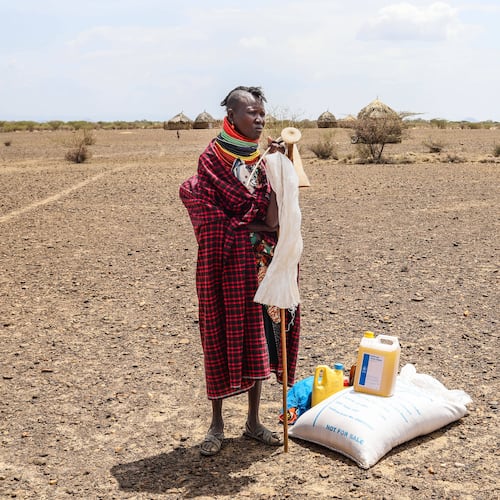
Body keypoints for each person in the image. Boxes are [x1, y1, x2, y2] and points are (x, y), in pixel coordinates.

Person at [179, 86, 300, 456]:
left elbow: (272, 214)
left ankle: (253, 422)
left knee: (259, 336)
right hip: (224, 262)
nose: (259, 119)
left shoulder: (264, 159)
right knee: (220, 331)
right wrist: (241, 227)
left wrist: (281, 168)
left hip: (262, 263)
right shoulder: (212, 159)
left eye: (262, 113)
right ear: (230, 115)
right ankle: (216, 424)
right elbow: (201, 203)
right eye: (251, 112)